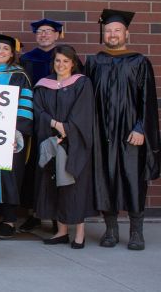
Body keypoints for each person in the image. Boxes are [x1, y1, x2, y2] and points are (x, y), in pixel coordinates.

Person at [86, 9, 160, 251]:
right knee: (105, 177)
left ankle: (136, 231)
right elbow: (85, 99)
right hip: (102, 132)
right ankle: (110, 230)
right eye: (108, 30)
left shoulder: (139, 61)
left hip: (131, 132)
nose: (112, 34)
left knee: (133, 178)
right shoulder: (94, 61)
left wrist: (141, 128)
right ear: (103, 33)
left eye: (117, 30)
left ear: (126, 32)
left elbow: (147, 100)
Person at [34, 45, 98, 249]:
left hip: (75, 143)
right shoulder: (44, 85)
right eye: (57, 61)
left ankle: (79, 233)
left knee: (75, 186)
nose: (61, 65)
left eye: (65, 61)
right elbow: (38, 109)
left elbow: (84, 112)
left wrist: (67, 130)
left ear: (73, 63)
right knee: (54, 185)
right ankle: (61, 232)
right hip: (51, 140)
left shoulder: (82, 83)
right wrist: (54, 125)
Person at [0, 34, 34, 240]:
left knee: (8, 175)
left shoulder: (20, 75)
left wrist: (16, 132)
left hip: (9, 136)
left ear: (12, 53)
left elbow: (25, 107)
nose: (1, 52)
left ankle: (9, 220)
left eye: (5, 49)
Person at [18, 18, 63, 232]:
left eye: (48, 31)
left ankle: (56, 216)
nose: (44, 35)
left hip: (56, 122)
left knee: (54, 166)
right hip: (31, 122)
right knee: (31, 167)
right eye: (40, 32)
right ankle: (32, 214)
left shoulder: (65, 58)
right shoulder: (26, 59)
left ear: (57, 35)